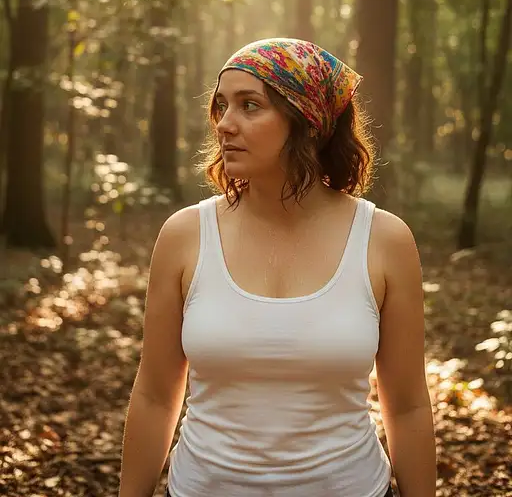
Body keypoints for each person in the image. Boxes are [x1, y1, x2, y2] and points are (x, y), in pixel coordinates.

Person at [118, 38, 437, 497]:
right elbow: (153, 395)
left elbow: (407, 407)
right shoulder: (185, 235)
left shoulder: (384, 240)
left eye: (250, 105)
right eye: (222, 105)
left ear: (306, 120)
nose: (225, 124)